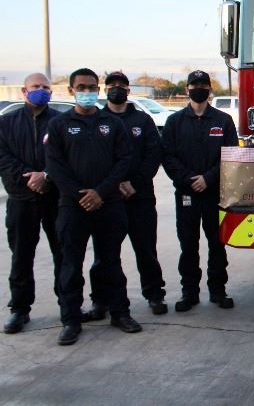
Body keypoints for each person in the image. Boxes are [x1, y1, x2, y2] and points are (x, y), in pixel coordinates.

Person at [45, 68, 141, 345]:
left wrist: (100, 192)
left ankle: (119, 312)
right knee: (70, 264)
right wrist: (80, 195)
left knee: (110, 261)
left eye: (91, 87)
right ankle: (71, 320)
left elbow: (123, 160)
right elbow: (55, 166)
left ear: (97, 91)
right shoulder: (59, 125)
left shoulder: (112, 123)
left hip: (108, 204)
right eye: (82, 87)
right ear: (71, 90)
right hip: (72, 207)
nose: (87, 92)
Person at [85, 72, 167, 318]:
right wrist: (111, 186)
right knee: (104, 255)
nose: (117, 89)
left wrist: (136, 183)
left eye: (121, 85)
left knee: (146, 250)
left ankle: (154, 295)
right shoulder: (98, 120)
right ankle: (101, 301)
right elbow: (93, 160)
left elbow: (153, 155)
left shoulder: (142, 120)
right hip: (108, 200)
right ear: (105, 89)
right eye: (112, 85)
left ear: (128, 91)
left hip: (140, 197)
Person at [161, 70, 238, 312]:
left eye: (203, 84)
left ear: (210, 89)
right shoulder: (174, 122)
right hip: (186, 194)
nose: (199, 88)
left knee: (217, 245)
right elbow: (167, 156)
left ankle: (218, 291)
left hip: (215, 193)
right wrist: (187, 179)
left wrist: (208, 178)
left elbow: (230, 155)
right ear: (187, 89)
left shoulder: (223, 121)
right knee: (188, 246)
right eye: (194, 85)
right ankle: (189, 293)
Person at [0, 73, 61, 334]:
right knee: (22, 255)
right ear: (24, 92)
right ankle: (20, 309)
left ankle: (69, 304)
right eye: (35, 87)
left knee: (64, 254)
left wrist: (46, 175)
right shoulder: (7, 122)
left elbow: (66, 156)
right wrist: (28, 178)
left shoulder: (60, 122)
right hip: (21, 199)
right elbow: (3, 156)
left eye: (46, 87)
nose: (41, 91)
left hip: (55, 198)